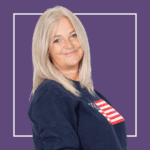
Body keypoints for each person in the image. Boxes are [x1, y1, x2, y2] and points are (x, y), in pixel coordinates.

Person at [28, 6, 128, 150]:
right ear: (45, 49)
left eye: (73, 35)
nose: (69, 44)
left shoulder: (90, 94)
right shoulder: (50, 94)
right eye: (57, 40)